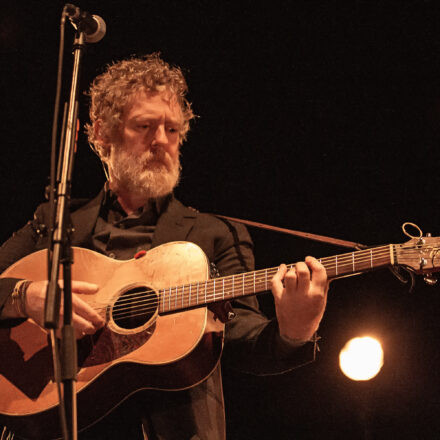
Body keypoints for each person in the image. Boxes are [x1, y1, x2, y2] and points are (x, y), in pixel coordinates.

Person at [0, 53, 328, 439]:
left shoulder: (215, 234)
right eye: (144, 126)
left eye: (172, 130)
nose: (161, 141)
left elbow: (243, 342)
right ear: (102, 134)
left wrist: (295, 329)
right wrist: (26, 295)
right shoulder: (55, 223)